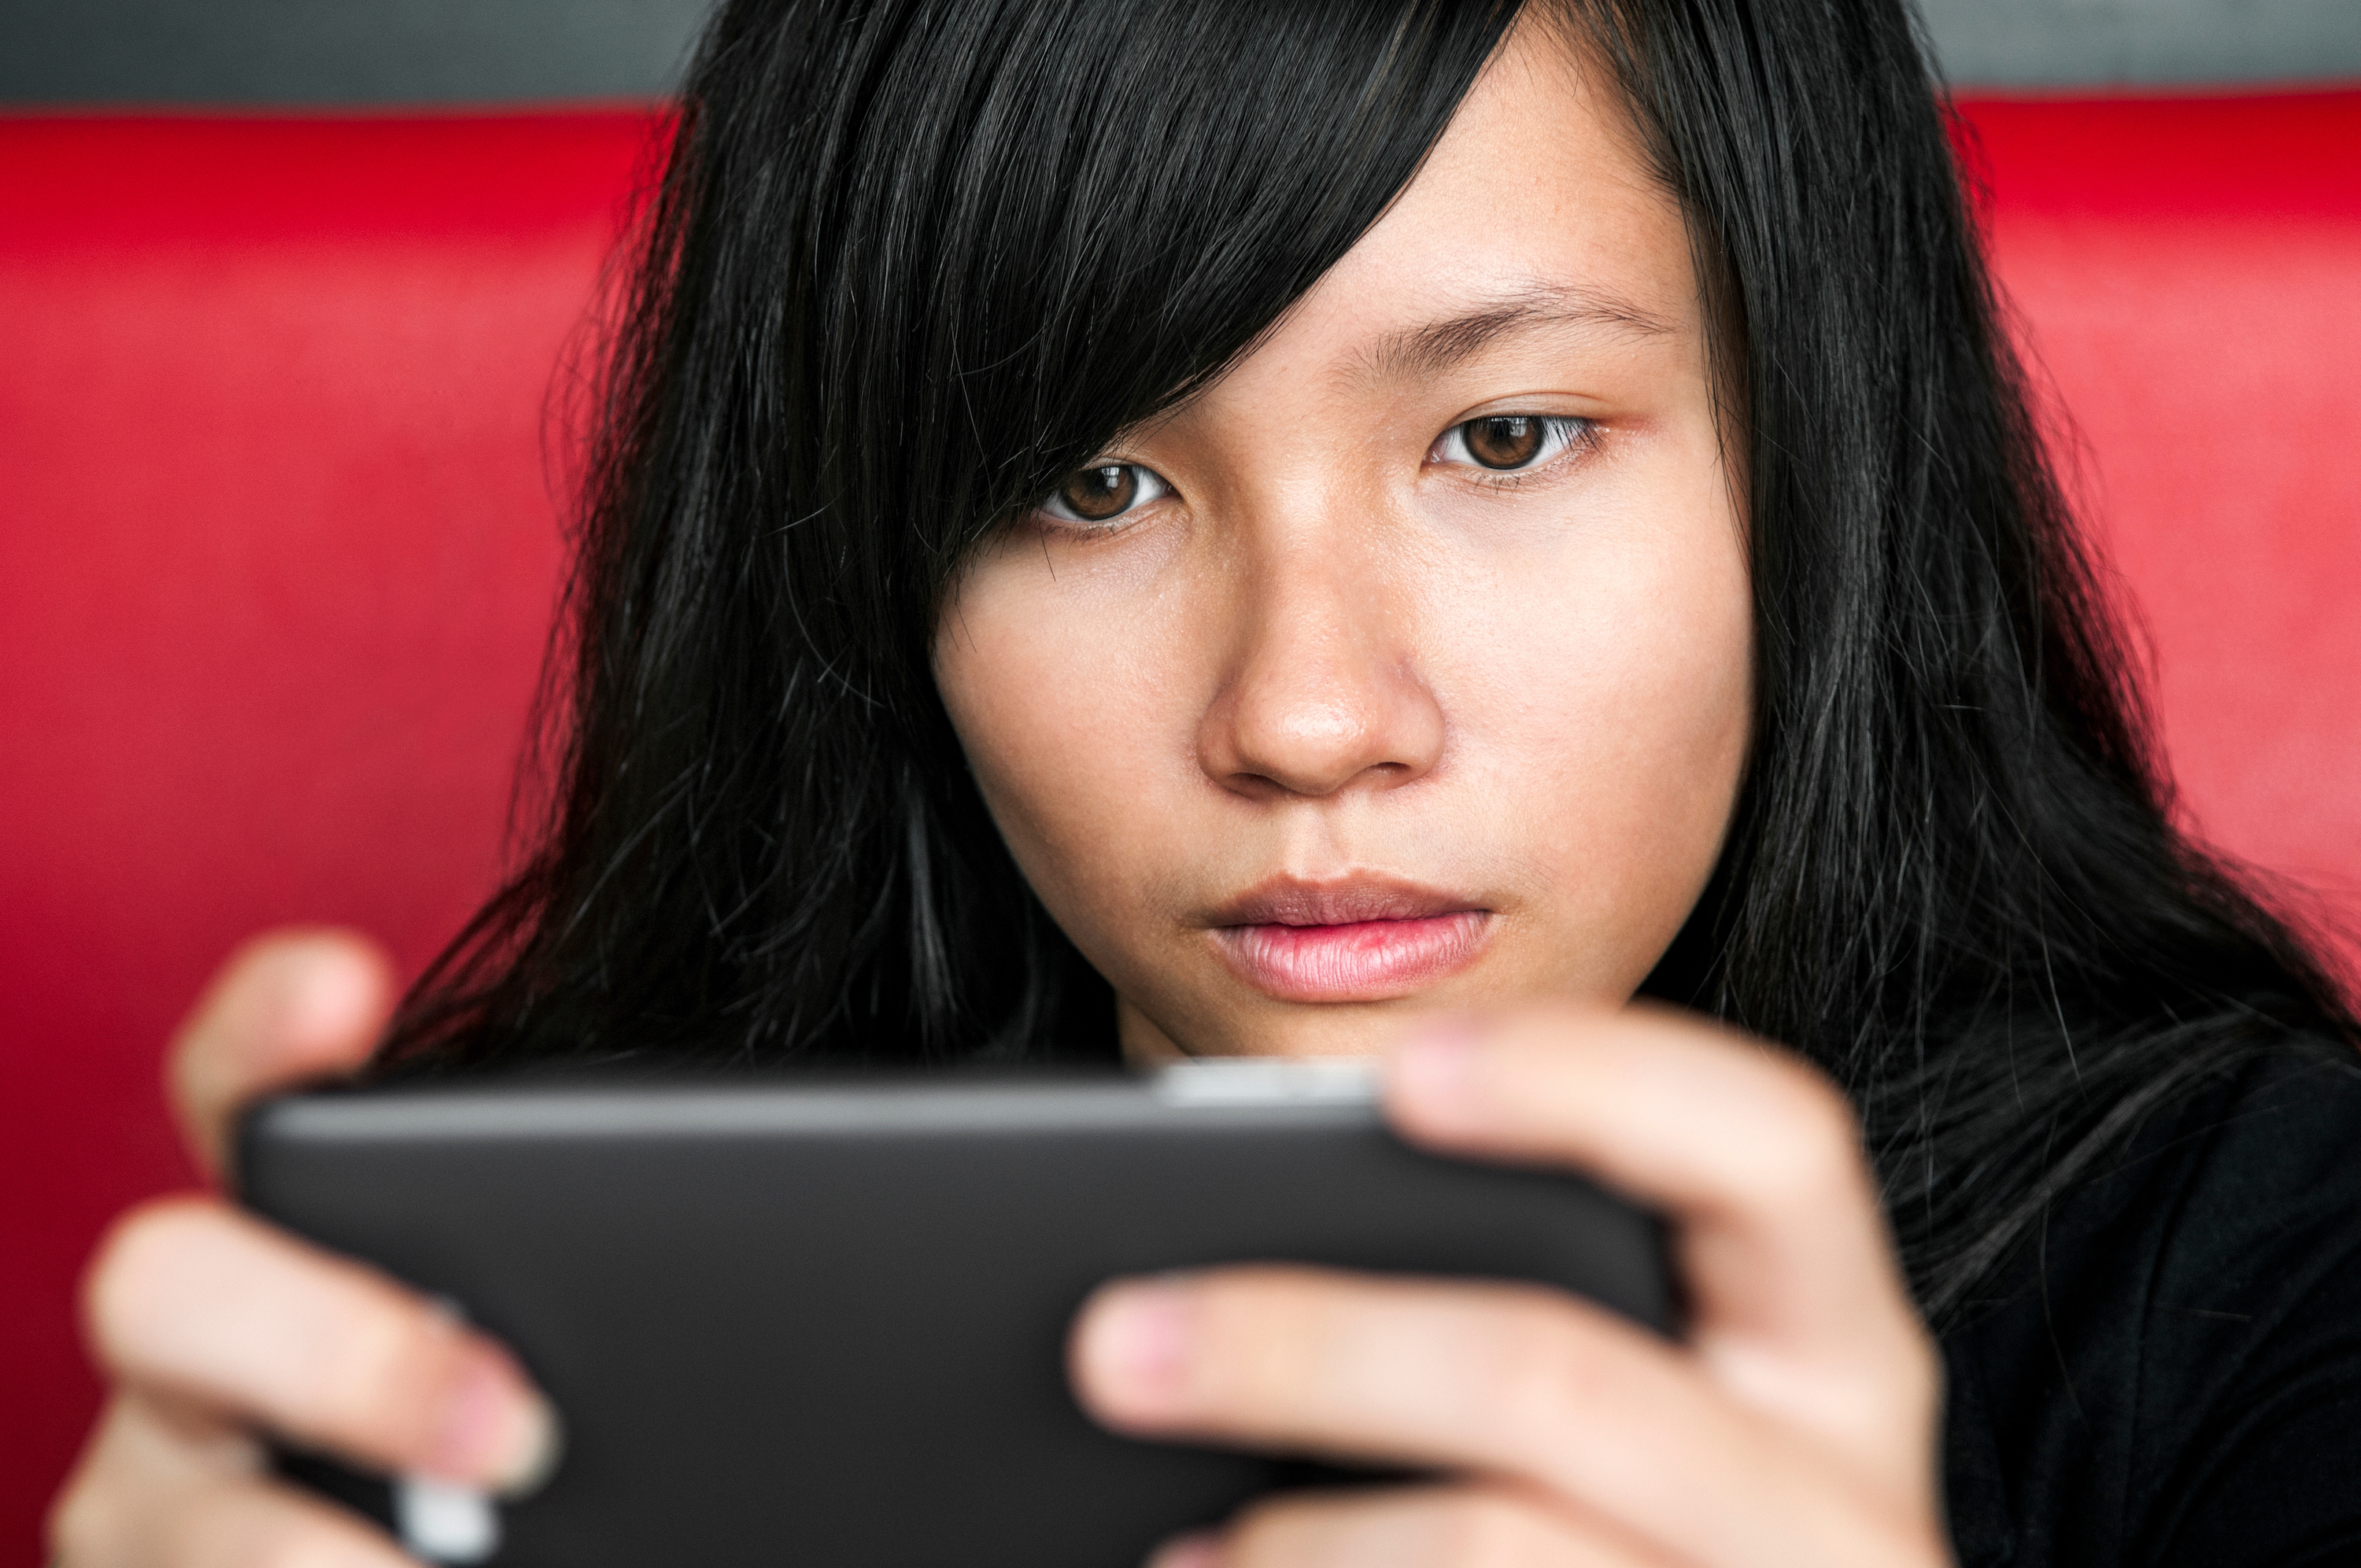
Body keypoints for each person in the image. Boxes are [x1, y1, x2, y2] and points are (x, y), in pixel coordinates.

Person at [49, 0, 2361, 1563]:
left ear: (1812, 465)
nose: (1308, 711)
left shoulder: (2268, 1273)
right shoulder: (517, 1325)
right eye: (1088, 481)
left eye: (1503, 436)